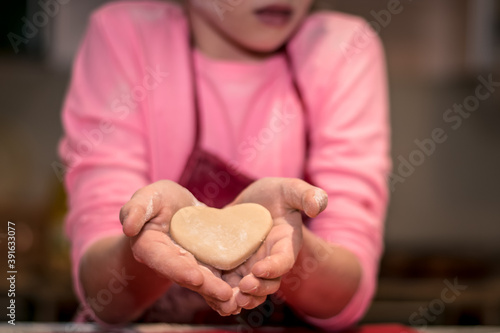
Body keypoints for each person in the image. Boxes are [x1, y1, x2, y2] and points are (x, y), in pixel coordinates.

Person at [59, 0, 390, 330]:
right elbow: (104, 297)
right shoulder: (124, 35)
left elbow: (343, 301)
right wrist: (147, 245)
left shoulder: (341, 48)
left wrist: (292, 250)